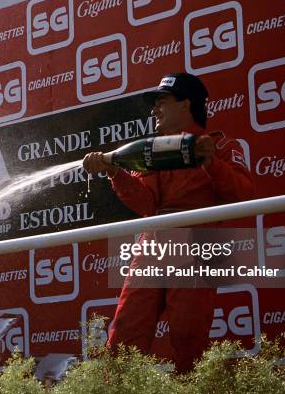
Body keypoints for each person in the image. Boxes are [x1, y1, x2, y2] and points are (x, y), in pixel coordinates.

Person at [82, 72, 255, 372]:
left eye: (162, 101)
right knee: (125, 335)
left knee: (189, 338)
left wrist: (209, 161)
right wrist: (114, 172)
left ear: (186, 104)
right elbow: (146, 203)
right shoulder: (153, 152)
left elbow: (244, 195)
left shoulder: (220, 145)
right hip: (152, 246)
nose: (154, 110)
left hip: (197, 247)